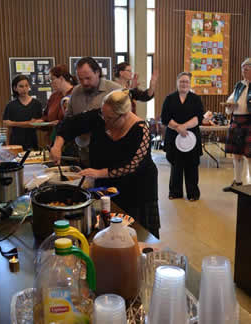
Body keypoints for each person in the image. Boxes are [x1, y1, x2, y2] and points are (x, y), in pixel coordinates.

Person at [50, 90, 160, 238]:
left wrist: (99, 172)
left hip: (137, 188)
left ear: (124, 114)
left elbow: (132, 165)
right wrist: (57, 146)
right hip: (106, 185)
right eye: (103, 115)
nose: (104, 120)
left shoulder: (141, 129)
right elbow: (70, 123)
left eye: (109, 118)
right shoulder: (101, 116)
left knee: (135, 233)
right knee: (105, 228)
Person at [161, 72, 204, 201]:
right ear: (177, 83)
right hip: (174, 137)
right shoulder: (169, 98)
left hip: (192, 137)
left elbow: (198, 118)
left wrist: (183, 126)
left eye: (186, 81)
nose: (184, 84)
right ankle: (175, 192)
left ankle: (193, 194)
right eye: (181, 81)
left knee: (192, 165)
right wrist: (177, 128)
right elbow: (165, 118)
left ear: (190, 83)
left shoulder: (196, 99)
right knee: (176, 165)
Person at [223, 58, 251, 191]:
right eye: (242, 69)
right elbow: (232, 99)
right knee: (236, 153)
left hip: (249, 122)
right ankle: (238, 182)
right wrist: (229, 104)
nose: (243, 71)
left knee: (250, 155)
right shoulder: (239, 85)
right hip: (237, 122)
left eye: (246, 69)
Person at [3, 74, 42, 150]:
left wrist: (13, 123)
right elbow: (7, 126)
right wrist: (28, 123)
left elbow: (37, 124)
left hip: (32, 143)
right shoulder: (10, 105)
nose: (24, 89)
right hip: (15, 144)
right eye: (21, 86)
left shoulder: (37, 104)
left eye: (26, 86)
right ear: (15, 88)